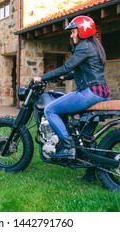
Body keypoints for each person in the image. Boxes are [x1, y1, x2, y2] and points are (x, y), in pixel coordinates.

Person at [33, 15, 110, 159]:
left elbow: (68, 66)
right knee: (85, 137)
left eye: (73, 31)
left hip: (90, 93)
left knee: (50, 109)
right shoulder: (93, 46)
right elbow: (83, 71)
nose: (71, 35)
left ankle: (68, 146)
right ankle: (90, 172)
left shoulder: (84, 46)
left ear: (82, 31)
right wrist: (62, 77)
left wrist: (42, 78)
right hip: (101, 92)